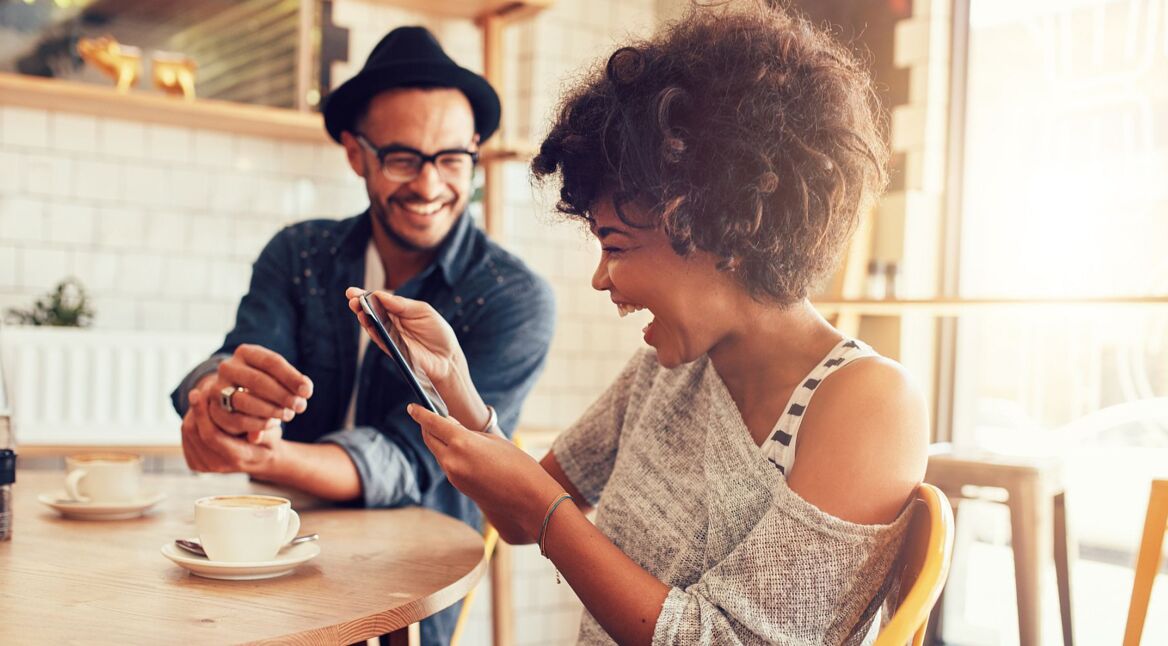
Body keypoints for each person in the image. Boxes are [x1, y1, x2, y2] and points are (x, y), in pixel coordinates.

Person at [348, 4, 929, 645]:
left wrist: (547, 513)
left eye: (616, 246)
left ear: (719, 229)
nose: (602, 279)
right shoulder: (664, 373)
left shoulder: (869, 403)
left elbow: (721, 638)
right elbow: (516, 516)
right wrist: (455, 384)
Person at [170, 26, 555, 646]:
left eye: (452, 159)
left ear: (475, 153)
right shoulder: (298, 252)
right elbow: (235, 360)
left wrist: (268, 456)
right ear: (357, 154)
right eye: (403, 158)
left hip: (407, 596)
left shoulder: (513, 298)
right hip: (270, 560)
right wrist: (219, 403)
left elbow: (407, 461)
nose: (429, 186)